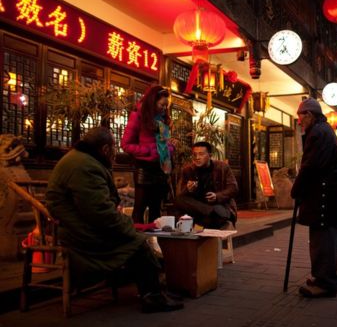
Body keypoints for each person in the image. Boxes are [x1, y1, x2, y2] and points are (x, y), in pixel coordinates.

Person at [45, 127, 183, 313]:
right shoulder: (85, 166)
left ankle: (155, 291)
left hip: (83, 225)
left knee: (136, 239)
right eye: (113, 148)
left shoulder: (82, 159)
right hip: (80, 233)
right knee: (138, 243)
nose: (115, 153)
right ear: (105, 149)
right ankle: (152, 297)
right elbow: (100, 212)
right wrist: (129, 227)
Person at [291, 98, 337, 298]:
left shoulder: (318, 133)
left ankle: (326, 282)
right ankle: (323, 277)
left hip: (324, 197)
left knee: (323, 241)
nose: (299, 121)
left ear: (310, 115)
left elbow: (311, 166)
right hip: (326, 197)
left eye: (301, 116)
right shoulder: (324, 131)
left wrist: (296, 189)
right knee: (323, 239)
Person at [122, 85, 174, 224]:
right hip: (144, 168)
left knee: (156, 210)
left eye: (166, 106)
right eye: (162, 105)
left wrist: (170, 147)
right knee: (140, 208)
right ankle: (137, 242)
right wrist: (150, 150)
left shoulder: (162, 119)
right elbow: (126, 145)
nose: (164, 108)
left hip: (160, 168)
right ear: (153, 101)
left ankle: (153, 243)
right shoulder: (138, 116)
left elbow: (164, 142)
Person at [173, 141, 238, 229]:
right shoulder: (188, 170)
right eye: (195, 154)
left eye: (201, 154)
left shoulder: (222, 167)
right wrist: (188, 189)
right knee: (178, 200)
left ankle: (210, 217)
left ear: (210, 155)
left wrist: (217, 196)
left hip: (220, 205)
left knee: (211, 216)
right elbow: (181, 195)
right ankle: (210, 213)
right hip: (199, 208)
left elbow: (233, 188)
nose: (197, 157)